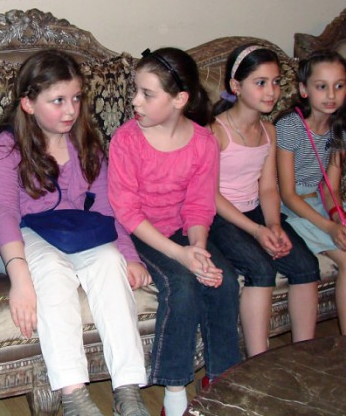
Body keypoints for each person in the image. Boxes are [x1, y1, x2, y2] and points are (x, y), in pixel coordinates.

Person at [0, 50, 150, 416]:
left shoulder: (85, 142)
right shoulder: (7, 148)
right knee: (51, 268)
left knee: (109, 261)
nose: (70, 110)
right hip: (18, 235)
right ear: (28, 104)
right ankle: (75, 396)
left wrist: (130, 256)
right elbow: (5, 213)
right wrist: (20, 278)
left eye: (75, 98)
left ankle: (128, 389)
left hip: (73, 232)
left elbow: (106, 209)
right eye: (57, 100)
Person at [108, 47, 241, 416]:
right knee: (181, 287)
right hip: (139, 233)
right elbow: (127, 211)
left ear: (180, 99)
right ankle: (175, 390)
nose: (135, 101)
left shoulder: (203, 142)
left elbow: (199, 206)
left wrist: (198, 250)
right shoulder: (126, 139)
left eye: (147, 94)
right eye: (136, 90)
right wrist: (181, 257)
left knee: (223, 280)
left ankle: (221, 379)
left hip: (183, 231)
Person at [209, 45, 320, 357]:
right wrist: (257, 232)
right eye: (260, 82)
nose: (271, 91)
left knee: (305, 265)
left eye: (275, 82)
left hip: (256, 212)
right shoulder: (215, 131)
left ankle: (305, 353)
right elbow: (210, 195)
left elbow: (269, 188)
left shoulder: (269, 131)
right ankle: (259, 361)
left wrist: (273, 225)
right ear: (235, 86)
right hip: (220, 217)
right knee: (260, 269)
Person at [275, 50, 346, 333]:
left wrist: (341, 219)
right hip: (290, 208)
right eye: (321, 86)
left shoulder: (340, 131)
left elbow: (331, 188)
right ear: (304, 90)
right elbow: (287, 194)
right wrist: (329, 226)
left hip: (319, 203)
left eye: (339, 86)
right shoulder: (290, 127)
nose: (331, 95)